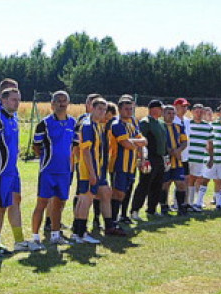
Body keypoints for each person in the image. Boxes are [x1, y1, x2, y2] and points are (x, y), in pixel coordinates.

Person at [29, 90, 75, 249]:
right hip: (48, 170)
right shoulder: (44, 123)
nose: (61, 104)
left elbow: (75, 146)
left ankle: (55, 235)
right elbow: (36, 146)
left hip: (65, 171)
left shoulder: (73, 123)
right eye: (58, 101)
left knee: (59, 204)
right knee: (42, 203)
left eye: (64, 101)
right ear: (52, 104)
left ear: (68, 103)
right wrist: (46, 159)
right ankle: (35, 238)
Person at [0, 85, 26, 253]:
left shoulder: (13, 119)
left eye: (18, 100)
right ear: (3, 101)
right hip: (0, 173)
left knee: (7, 205)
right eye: (13, 99)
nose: (17, 103)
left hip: (12, 171)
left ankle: (0, 241)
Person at [70, 97, 111, 243]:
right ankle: (81, 234)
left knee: (83, 200)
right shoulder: (88, 126)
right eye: (99, 109)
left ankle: (77, 232)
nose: (102, 112)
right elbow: (86, 151)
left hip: (92, 169)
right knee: (86, 200)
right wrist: (92, 173)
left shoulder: (97, 125)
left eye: (104, 110)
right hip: (88, 170)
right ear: (92, 108)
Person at [107, 95, 147, 223]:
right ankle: (112, 220)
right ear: (119, 110)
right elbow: (126, 144)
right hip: (119, 165)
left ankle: (123, 216)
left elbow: (144, 141)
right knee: (118, 193)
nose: (129, 111)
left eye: (131, 109)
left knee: (127, 191)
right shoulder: (117, 124)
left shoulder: (133, 122)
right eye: (126, 109)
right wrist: (136, 143)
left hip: (131, 164)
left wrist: (135, 144)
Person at [131, 99, 168, 219]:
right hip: (149, 157)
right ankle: (135, 210)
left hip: (159, 158)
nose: (162, 111)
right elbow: (141, 141)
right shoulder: (145, 122)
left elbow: (164, 142)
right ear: (154, 109)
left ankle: (152, 209)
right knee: (144, 184)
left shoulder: (161, 123)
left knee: (157, 184)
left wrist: (166, 157)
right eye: (160, 108)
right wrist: (142, 158)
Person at [161, 105, 189, 214]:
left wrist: (178, 151)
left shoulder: (179, 126)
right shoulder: (160, 126)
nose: (171, 115)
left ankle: (181, 207)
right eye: (169, 113)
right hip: (165, 160)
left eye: (173, 113)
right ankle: (164, 206)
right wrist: (171, 151)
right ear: (163, 114)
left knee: (181, 183)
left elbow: (184, 142)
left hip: (177, 161)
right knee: (165, 184)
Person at [186, 104, 212, 211]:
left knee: (197, 179)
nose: (199, 114)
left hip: (199, 157)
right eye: (197, 111)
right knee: (186, 179)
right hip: (187, 156)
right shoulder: (187, 124)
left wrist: (211, 157)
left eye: (201, 112)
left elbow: (210, 143)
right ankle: (183, 202)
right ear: (192, 112)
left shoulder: (208, 126)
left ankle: (193, 202)